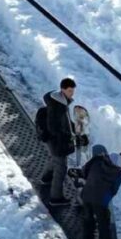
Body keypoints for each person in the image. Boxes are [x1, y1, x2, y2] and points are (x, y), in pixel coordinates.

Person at [42, 77, 78, 206]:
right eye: (69, 91)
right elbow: (53, 127)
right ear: (62, 89)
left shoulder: (60, 101)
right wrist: (68, 135)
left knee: (54, 159)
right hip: (57, 142)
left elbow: (65, 121)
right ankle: (56, 198)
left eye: (73, 91)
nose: (72, 93)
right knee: (61, 169)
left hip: (54, 141)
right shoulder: (57, 106)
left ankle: (46, 178)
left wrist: (73, 127)